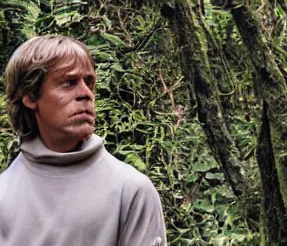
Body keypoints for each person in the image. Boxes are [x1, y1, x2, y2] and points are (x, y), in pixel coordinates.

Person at [0, 35, 167, 246]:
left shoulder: (131, 190)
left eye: (89, 82)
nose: (85, 94)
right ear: (30, 97)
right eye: (69, 82)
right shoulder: (4, 195)